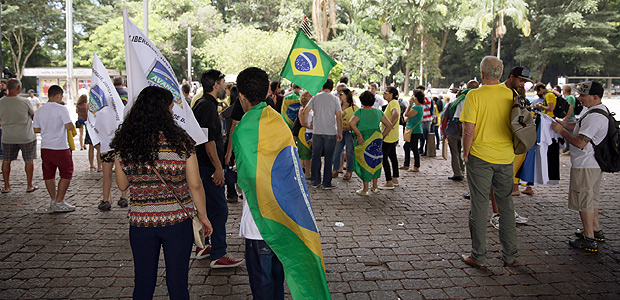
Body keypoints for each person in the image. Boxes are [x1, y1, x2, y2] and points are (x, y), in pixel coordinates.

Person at [110, 86, 213, 299]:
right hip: (177, 221)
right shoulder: (181, 141)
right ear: (165, 110)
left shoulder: (125, 143)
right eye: (171, 107)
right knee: (178, 285)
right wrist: (202, 215)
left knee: (143, 283)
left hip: (141, 223)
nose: (173, 111)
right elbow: (195, 184)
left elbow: (122, 185)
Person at [460, 56, 517, 269]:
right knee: (506, 206)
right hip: (506, 156)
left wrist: (465, 154)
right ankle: (510, 254)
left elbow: (469, 129)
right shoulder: (510, 94)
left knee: (479, 206)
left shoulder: (474, 95)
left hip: (480, 157)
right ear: (501, 74)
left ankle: (479, 255)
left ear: (482, 74)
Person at [234, 67, 286, 300]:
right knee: (277, 280)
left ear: (242, 96)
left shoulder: (243, 128)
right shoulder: (280, 121)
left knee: (262, 284)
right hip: (284, 217)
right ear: (267, 91)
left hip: (258, 222)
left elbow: (245, 180)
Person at [192, 69, 244, 268]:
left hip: (204, 166)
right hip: (207, 167)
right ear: (215, 84)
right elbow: (208, 140)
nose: (225, 87)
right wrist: (218, 167)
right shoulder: (206, 106)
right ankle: (218, 253)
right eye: (223, 83)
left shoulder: (205, 104)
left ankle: (205, 246)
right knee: (219, 209)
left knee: (208, 208)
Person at [551, 81, 608, 253]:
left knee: (584, 202)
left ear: (595, 97)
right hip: (594, 164)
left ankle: (588, 238)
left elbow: (580, 142)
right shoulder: (596, 111)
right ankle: (596, 230)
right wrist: (563, 124)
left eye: (583, 95)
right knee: (592, 198)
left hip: (585, 164)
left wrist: (561, 131)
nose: (579, 98)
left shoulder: (594, 116)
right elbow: (578, 128)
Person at [33, 85, 76, 212]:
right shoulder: (61, 109)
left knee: (49, 174)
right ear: (58, 96)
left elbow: (36, 129)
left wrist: (48, 129)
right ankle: (60, 200)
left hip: (45, 147)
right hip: (60, 147)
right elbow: (69, 126)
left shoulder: (39, 111)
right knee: (67, 172)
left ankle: (53, 199)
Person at [349, 91, 392, 196]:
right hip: (376, 138)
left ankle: (365, 189)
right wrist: (382, 135)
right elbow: (389, 125)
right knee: (375, 161)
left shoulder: (359, 112)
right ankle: (375, 186)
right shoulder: (378, 112)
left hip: (364, 139)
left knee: (364, 162)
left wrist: (358, 135)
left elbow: (351, 123)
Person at [303, 79, 343, 189]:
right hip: (330, 131)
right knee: (329, 158)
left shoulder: (316, 97)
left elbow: (305, 111)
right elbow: (339, 117)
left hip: (317, 131)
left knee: (316, 156)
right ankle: (326, 183)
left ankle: (315, 181)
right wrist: (340, 131)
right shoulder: (335, 99)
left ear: (322, 86)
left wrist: (306, 124)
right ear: (332, 87)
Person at [0, 79, 38, 194]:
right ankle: (29, 185)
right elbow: (33, 115)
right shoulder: (24, 101)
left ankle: (6, 186)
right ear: (18, 88)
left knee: (6, 160)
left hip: (8, 136)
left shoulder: (1, 101)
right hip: (25, 135)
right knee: (28, 159)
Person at [332, 88, 357, 181]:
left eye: (341, 94)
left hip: (350, 132)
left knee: (350, 152)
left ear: (347, 95)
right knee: (337, 151)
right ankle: (335, 169)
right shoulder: (337, 105)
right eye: (338, 94)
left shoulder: (354, 107)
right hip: (339, 131)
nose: (339, 96)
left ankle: (349, 171)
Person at [378, 86, 401, 189]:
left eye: (386, 93)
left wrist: (389, 125)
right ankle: (394, 178)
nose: (384, 94)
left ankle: (389, 181)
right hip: (392, 136)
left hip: (388, 136)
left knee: (384, 158)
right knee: (392, 157)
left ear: (392, 94)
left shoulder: (393, 103)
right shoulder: (392, 103)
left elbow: (395, 114)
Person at [401, 90, 425, 172]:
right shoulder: (414, 106)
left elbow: (407, 114)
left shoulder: (418, 107)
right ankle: (406, 164)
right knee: (406, 146)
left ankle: (416, 166)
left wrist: (410, 104)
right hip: (410, 129)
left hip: (415, 130)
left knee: (414, 148)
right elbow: (405, 115)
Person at [297, 91, 314, 179]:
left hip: (312, 133)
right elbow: (303, 123)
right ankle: (300, 173)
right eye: (310, 96)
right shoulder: (302, 109)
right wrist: (313, 127)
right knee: (303, 154)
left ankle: (308, 172)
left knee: (309, 155)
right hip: (304, 133)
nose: (312, 97)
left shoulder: (313, 109)